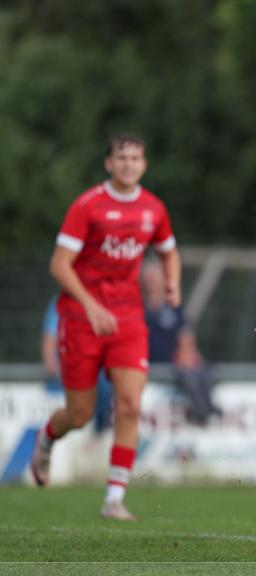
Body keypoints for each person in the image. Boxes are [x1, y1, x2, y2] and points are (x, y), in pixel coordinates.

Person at [31, 133, 181, 521]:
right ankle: (47, 438)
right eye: (121, 157)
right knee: (78, 415)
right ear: (108, 164)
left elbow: (168, 251)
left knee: (130, 404)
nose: (129, 164)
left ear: (144, 165)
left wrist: (173, 281)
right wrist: (91, 306)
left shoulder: (153, 208)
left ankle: (114, 497)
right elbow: (59, 264)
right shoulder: (88, 206)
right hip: (82, 320)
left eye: (135, 158)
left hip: (128, 319)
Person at [143, 260, 218, 425]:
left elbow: (186, 337)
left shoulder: (174, 308)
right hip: (148, 366)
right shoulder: (139, 308)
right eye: (149, 279)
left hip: (174, 364)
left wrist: (188, 355)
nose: (152, 283)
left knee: (205, 372)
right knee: (189, 376)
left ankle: (206, 411)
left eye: (155, 278)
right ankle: (206, 414)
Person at [42, 296, 114, 431]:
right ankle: (48, 435)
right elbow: (50, 338)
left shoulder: (107, 299)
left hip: (95, 371)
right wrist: (51, 361)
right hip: (72, 368)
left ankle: (101, 430)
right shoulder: (61, 304)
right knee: (77, 414)